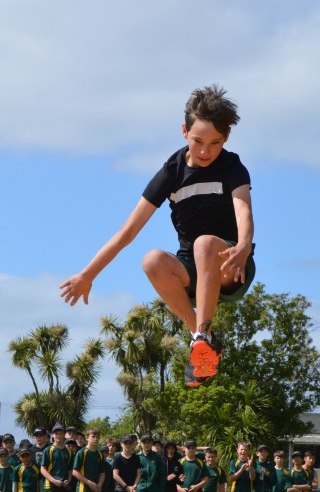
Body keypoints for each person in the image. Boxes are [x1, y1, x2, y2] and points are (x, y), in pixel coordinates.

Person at [60, 85, 255, 387]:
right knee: (152, 260)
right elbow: (128, 232)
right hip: (192, 271)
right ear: (184, 131)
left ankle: (202, 336)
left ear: (226, 137)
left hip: (231, 262)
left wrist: (243, 246)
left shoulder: (231, 166)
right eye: (198, 141)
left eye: (215, 143)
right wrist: (88, 275)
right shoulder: (172, 172)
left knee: (205, 242)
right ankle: (203, 340)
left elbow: (243, 210)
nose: (205, 152)